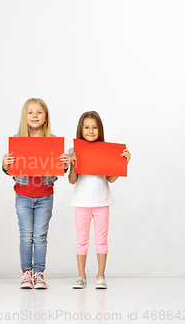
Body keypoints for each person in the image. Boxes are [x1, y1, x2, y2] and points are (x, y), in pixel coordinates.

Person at [2, 98, 70, 289]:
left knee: (40, 235)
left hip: (45, 196)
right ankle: (26, 274)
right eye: (30, 112)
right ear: (25, 117)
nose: (34, 116)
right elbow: (11, 171)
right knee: (26, 236)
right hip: (23, 196)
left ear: (45, 117)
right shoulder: (17, 141)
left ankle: (39, 274)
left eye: (39, 112)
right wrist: (5, 165)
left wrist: (64, 165)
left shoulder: (53, 142)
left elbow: (58, 172)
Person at [68, 111, 131, 289]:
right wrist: (73, 163)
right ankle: (81, 275)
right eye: (87, 127)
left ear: (100, 130)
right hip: (81, 202)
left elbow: (111, 178)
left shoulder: (105, 150)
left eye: (95, 127)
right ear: (80, 130)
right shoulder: (74, 151)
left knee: (101, 240)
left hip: (102, 202)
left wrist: (123, 163)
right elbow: (72, 180)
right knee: (82, 240)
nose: (91, 131)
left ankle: (101, 275)